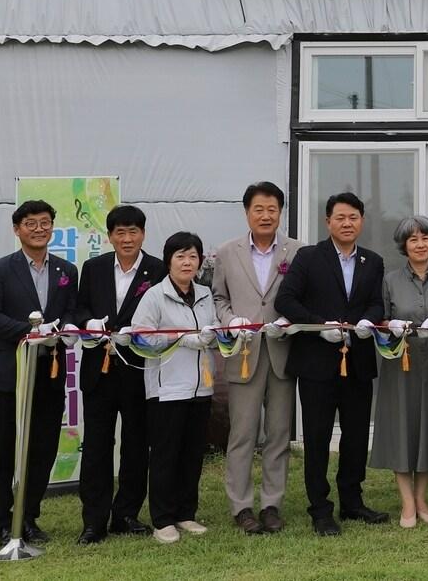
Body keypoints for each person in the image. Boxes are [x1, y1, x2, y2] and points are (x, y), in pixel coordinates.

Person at [274, 192, 388, 535]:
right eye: (340, 217)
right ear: (328, 222)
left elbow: (376, 304)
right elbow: (285, 300)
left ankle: (352, 501)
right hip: (317, 364)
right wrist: (319, 326)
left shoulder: (373, 260)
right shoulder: (309, 257)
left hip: (358, 362)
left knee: (354, 437)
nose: (347, 223)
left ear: (362, 221)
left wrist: (369, 321)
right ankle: (320, 509)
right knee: (319, 437)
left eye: (353, 217)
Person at [0, 200, 77, 548]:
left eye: (45, 222)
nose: (38, 229)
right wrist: (29, 331)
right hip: (8, 376)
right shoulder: (0, 269)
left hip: (49, 374)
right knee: (3, 451)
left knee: (43, 449)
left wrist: (67, 327)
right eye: (30, 223)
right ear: (17, 229)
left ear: (53, 227)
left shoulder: (66, 270)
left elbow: (70, 312)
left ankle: (28, 515)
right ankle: (2, 522)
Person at [211, 181, 304, 535]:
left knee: (279, 433)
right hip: (244, 354)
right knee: (243, 433)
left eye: (272, 210)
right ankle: (241, 506)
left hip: (283, 353)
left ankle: (271, 504)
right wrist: (230, 320)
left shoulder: (297, 251)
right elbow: (218, 298)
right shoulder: (227, 251)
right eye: (258, 209)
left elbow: (302, 296)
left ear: (281, 212)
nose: (266, 216)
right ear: (246, 212)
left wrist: (289, 320)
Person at [73, 204, 166, 544]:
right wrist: (89, 323)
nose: (127, 239)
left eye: (134, 232)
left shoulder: (157, 269)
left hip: (139, 368)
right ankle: (93, 521)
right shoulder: (93, 268)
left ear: (143, 234)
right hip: (99, 369)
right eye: (120, 232)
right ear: (109, 236)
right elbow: (80, 306)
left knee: (137, 445)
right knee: (97, 445)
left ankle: (126, 513)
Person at [128, 231, 218, 544]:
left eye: (193, 256)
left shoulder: (206, 294)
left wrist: (226, 336)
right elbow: (140, 338)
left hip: (201, 388)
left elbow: (215, 333)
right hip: (167, 390)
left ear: (200, 261)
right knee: (166, 455)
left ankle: (185, 513)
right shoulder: (154, 296)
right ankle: (162, 519)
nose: (187, 262)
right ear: (169, 261)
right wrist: (180, 338)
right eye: (180, 256)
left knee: (193, 454)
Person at [370, 215, 428, 528]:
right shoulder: (390, 280)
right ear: (404, 245)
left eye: (425, 238)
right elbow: (381, 316)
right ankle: (406, 503)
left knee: (427, 425)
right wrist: (390, 324)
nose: (420, 244)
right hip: (399, 362)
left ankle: (421, 498)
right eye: (413, 239)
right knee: (402, 426)